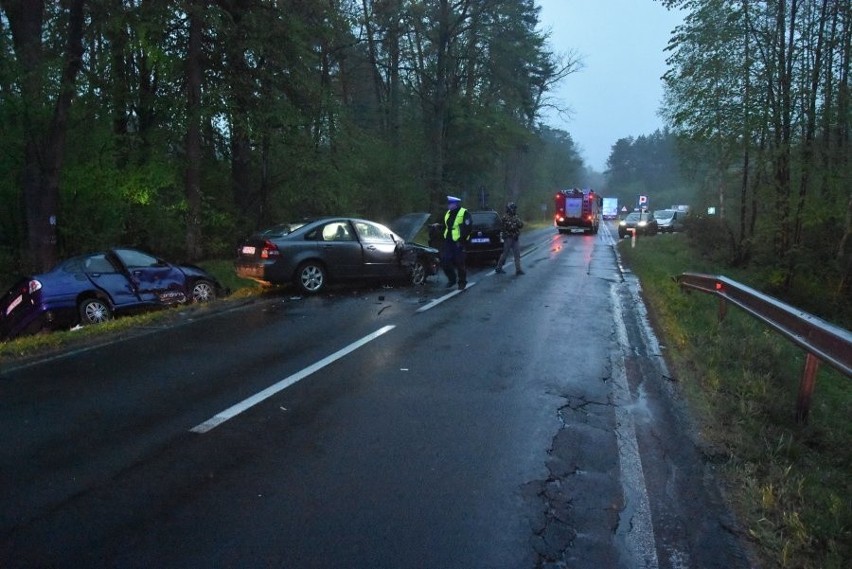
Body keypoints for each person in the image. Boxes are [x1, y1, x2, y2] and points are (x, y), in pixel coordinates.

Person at [441, 195, 472, 290]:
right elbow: (446, 225)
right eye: (448, 204)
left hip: (459, 241)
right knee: (445, 261)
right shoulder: (448, 213)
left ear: (455, 204)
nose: (448, 205)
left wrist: (462, 240)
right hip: (449, 241)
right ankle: (452, 279)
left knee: (460, 262)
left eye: (450, 204)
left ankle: (462, 282)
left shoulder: (464, 213)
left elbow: (468, 228)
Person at [495, 202, 524, 275]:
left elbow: (521, 225)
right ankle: (498, 267)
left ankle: (518, 270)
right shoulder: (505, 218)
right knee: (505, 254)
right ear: (509, 209)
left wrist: (518, 222)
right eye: (513, 208)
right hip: (508, 238)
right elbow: (503, 228)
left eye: (514, 209)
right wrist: (507, 234)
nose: (514, 210)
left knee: (517, 254)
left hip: (515, 238)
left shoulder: (516, 217)